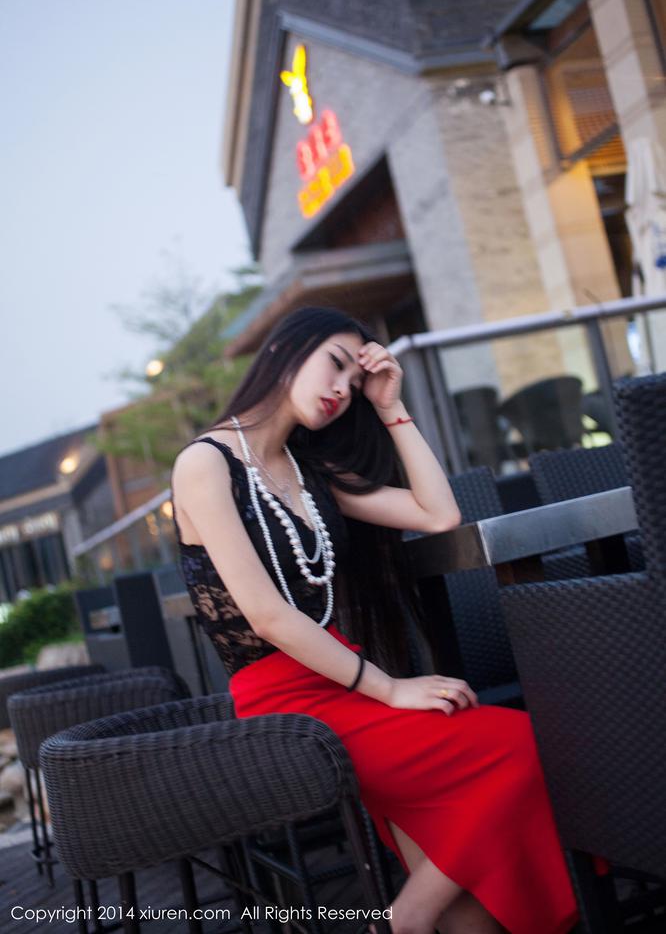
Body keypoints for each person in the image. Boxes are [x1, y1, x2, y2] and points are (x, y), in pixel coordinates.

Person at [171, 306, 578, 934]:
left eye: (354, 383)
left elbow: (438, 515)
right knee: (521, 747)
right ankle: (402, 920)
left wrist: (391, 406)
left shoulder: (308, 474)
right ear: (283, 351)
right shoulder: (204, 463)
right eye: (334, 365)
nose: (342, 389)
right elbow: (267, 615)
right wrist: (390, 688)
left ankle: (416, 918)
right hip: (288, 702)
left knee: (465, 895)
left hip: (343, 683)